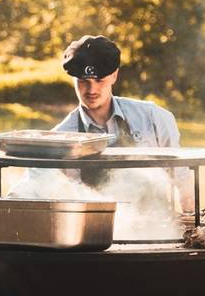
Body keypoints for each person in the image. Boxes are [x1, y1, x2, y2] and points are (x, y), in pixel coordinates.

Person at [53, 35, 194, 210]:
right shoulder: (61, 137)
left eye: (99, 80)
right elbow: (35, 185)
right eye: (83, 81)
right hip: (90, 231)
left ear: (114, 76)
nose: (92, 89)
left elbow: (181, 179)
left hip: (156, 229)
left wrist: (188, 228)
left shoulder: (154, 118)